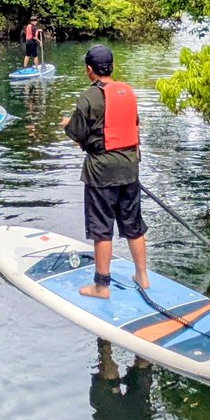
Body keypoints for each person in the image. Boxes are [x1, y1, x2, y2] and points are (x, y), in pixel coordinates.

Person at [63, 44, 148, 298]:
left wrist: (67, 124)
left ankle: (101, 286)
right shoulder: (128, 92)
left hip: (101, 172)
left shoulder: (89, 97)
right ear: (112, 67)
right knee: (133, 224)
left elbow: (77, 132)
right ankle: (142, 276)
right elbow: (133, 125)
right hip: (130, 168)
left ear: (89, 70)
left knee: (101, 228)